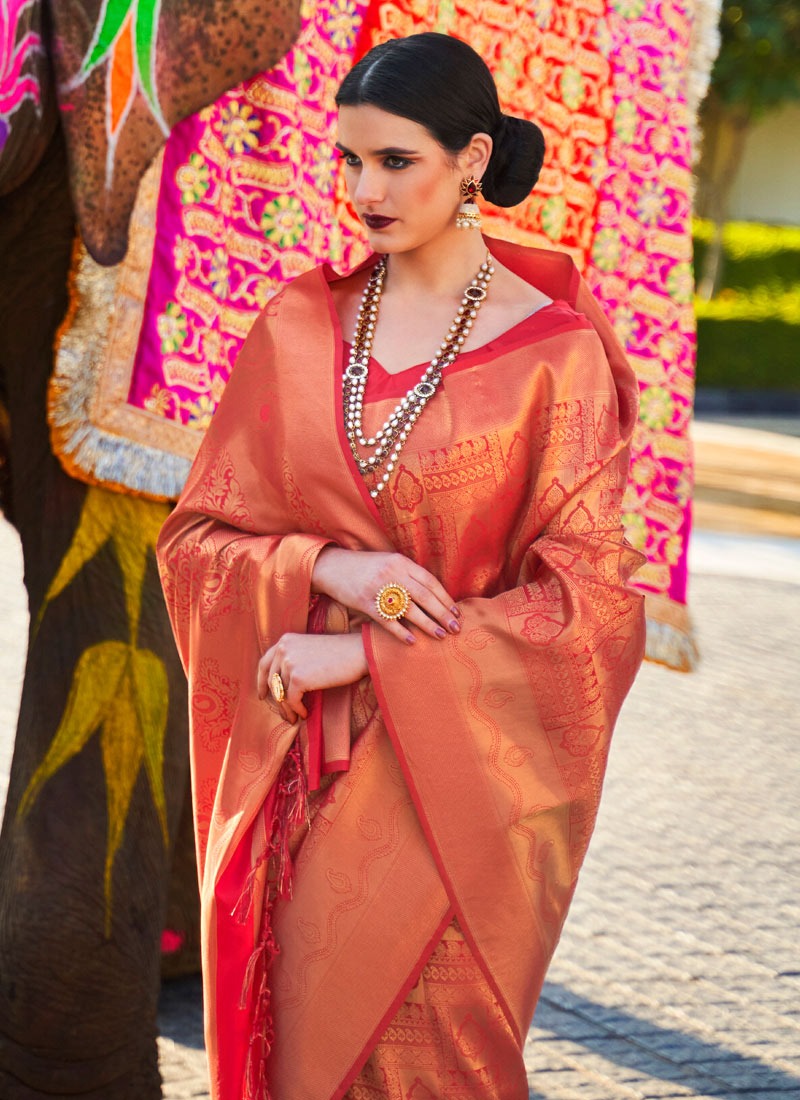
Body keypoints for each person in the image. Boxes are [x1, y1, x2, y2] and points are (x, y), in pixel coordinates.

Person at [157, 31, 646, 1100]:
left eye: (394, 161)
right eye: (348, 161)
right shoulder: (295, 325)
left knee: (438, 1062)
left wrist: (371, 662)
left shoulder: (553, 357)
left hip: (455, 794)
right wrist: (324, 567)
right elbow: (196, 543)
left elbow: (594, 608)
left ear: (471, 158)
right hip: (296, 789)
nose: (362, 189)